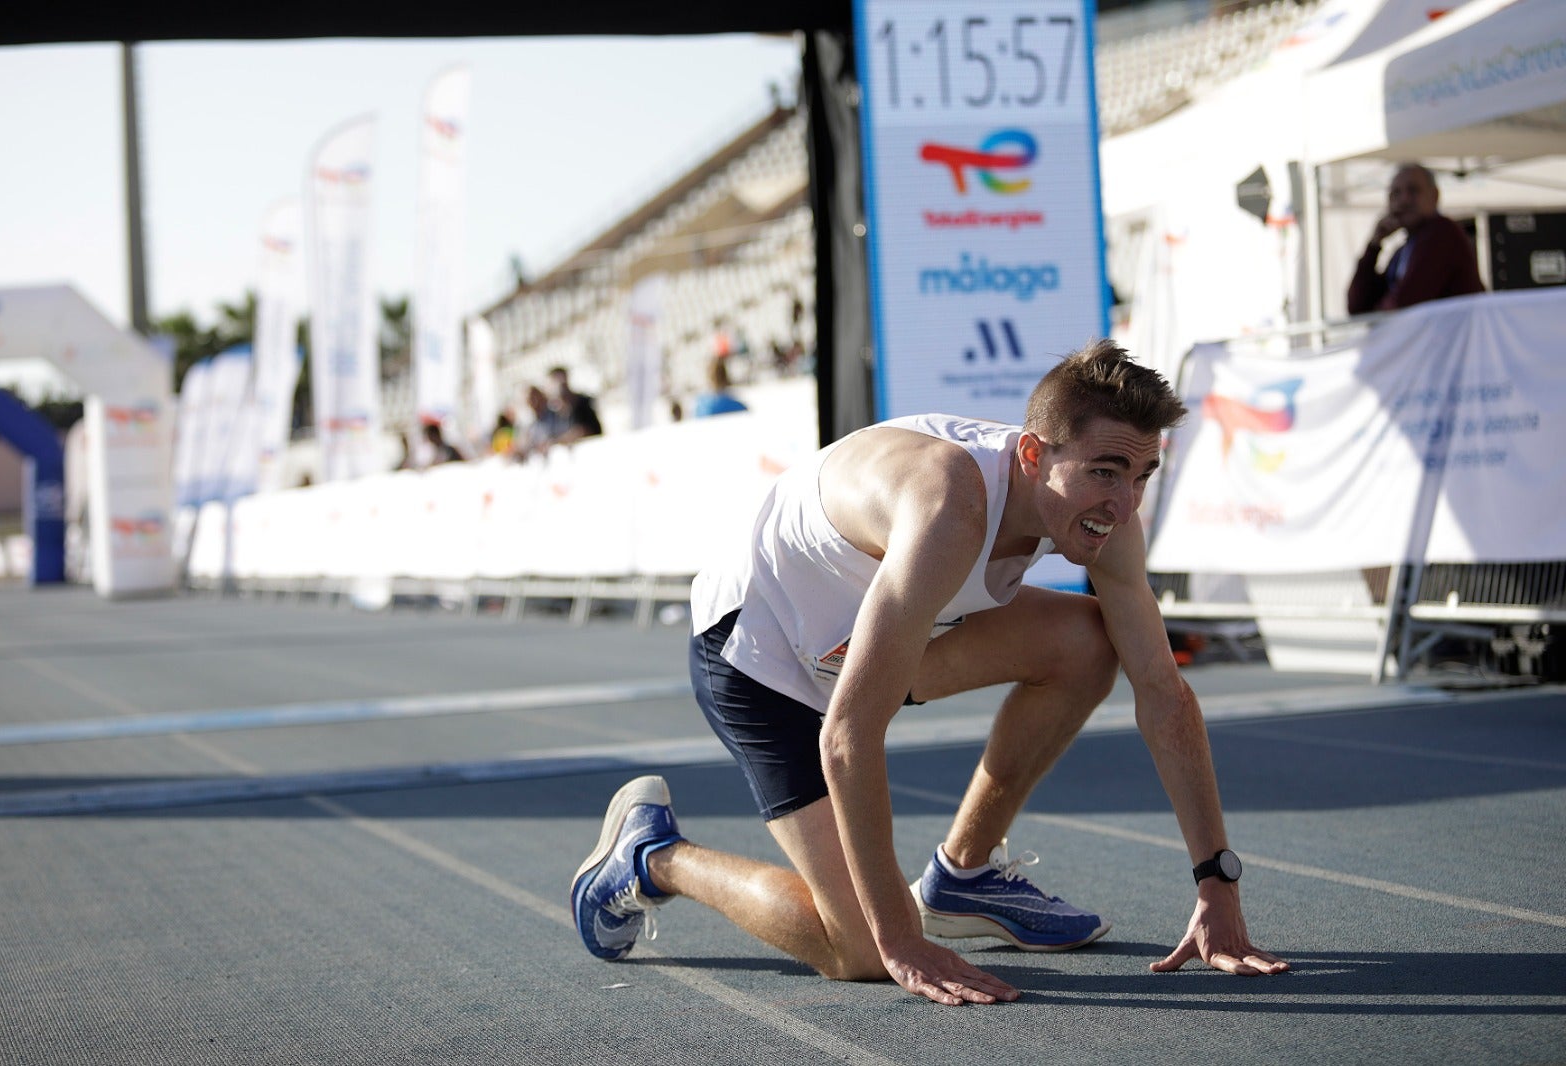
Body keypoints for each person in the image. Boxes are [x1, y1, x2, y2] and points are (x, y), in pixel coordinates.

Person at [571, 339, 1288, 1004]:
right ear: (1034, 456)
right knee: (857, 950)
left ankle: (962, 876)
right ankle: (653, 855)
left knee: (1088, 643)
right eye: (1105, 472)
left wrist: (1216, 882)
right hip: (761, 658)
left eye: (1141, 475)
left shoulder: (1105, 518)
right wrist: (900, 938)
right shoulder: (949, 505)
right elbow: (850, 735)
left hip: (874, 642)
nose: (1124, 503)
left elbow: (1164, 694)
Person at [1347, 163, 1485, 315]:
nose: (1404, 200)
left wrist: (1378, 315)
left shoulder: (1442, 233)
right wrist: (1374, 245)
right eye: (1395, 194)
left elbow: (1405, 303)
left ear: (1435, 196)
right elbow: (1357, 306)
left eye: (1413, 191)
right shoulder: (1403, 252)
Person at [543, 366, 602, 446]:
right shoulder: (552, 412)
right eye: (555, 381)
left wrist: (561, 440)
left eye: (562, 381)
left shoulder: (582, 403)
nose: (560, 384)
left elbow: (587, 430)